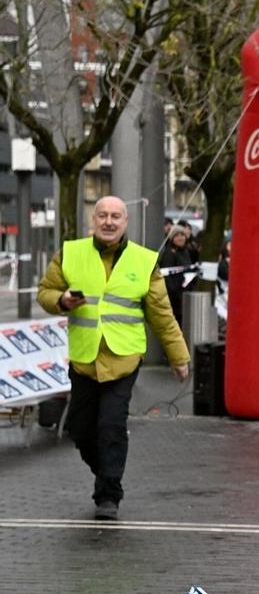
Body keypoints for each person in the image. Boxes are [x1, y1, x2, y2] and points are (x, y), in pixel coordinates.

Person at [37, 196, 192, 521]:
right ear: (93, 220)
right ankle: (106, 472)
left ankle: (108, 494)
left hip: (123, 359)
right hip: (84, 358)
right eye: (103, 215)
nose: (109, 221)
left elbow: (162, 315)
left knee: (110, 426)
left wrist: (179, 357)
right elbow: (45, 293)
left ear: (125, 222)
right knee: (79, 430)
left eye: (116, 216)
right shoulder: (70, 253)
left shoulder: (144, 261)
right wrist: (62, 301)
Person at [157, 221, 202, 329]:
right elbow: (166, 276)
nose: (180, 238)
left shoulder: (186, 251)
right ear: (172, 238)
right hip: (175, 299)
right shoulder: (169, 254)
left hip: (186, 295)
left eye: (182, 235)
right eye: (177, 235)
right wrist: (175, 293)